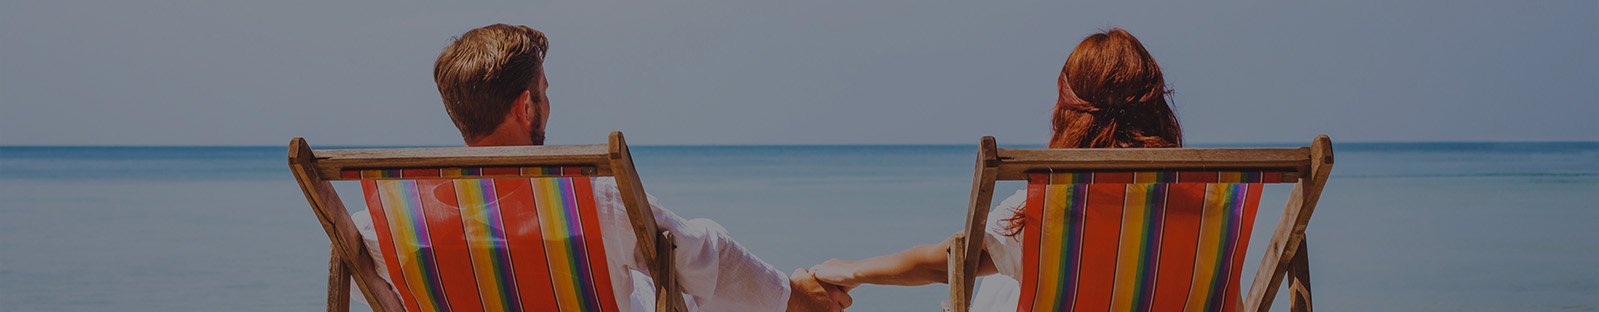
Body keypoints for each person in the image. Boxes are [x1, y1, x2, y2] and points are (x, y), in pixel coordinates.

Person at [349, 23, 851, 312]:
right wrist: (792, 295)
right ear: (526, 107)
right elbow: (702, 258)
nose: (550, 102)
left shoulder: (380, 226)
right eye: (545, 92)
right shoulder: (589, 203)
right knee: (687, 261)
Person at [807, 28, 1182, 311]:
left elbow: (951, 264)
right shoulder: (1214, 201)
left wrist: (852, 270)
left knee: (1004, 279)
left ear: (1070, 112)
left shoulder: (1048, 213)